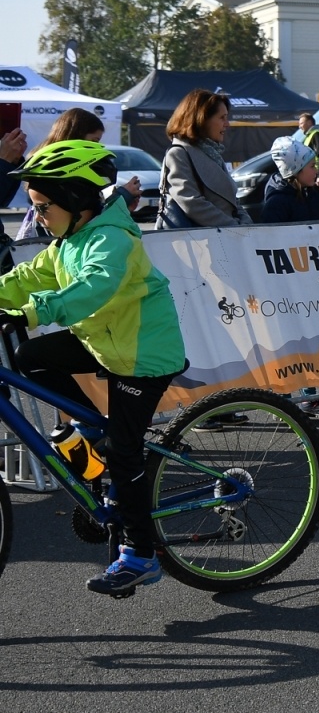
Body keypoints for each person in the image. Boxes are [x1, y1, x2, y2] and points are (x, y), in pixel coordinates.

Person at [0, 140, 184, 596]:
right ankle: (91, 425)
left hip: (143, 355)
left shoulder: (111, 239)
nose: (36, 215)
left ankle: (141, 556)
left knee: (124, 456)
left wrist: (32, 313)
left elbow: (92, 288)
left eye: (43, 206)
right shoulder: (68, 241)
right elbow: (25, 278)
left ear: (78, 199)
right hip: (104, 342)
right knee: (30, 358)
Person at [261, 136, 319, 421]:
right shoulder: (277, 201)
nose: (316, 169)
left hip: (309, 281)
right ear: (294, 171)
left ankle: (309, 399)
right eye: (309, 165)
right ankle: (283, 402)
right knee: (289, 345)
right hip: (286, 286)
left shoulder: (309, 192)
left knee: (310, 342)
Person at [18, 109, 135, 239]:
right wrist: (121, 198)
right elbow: (88, 214)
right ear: (77, 135)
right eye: (94, 140)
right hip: (60, 235)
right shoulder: (63, 167)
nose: (97, 146)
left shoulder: (43, 157)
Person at [158, 89, 247, 228]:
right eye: (222, 118)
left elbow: (233, 202)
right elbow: (191, 202)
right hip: (200, 243)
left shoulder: (212, 153)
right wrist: (233, 226)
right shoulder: (178, 153)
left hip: (226, 238)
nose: (227, 124)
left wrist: (246, 224)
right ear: (202, 120)